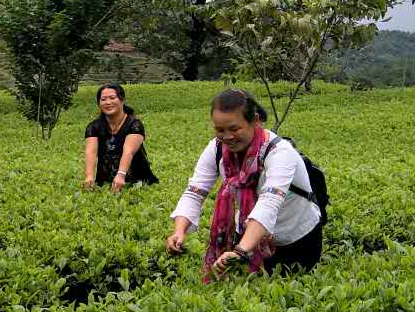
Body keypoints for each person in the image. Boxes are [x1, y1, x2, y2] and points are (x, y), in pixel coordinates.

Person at [166, 88, 323, 280]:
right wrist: (179, 231)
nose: (227, 137)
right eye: (220, 130)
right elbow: (195, 191)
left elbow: (269, 202)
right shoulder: (216, 148)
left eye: (234, 129)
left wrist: (241, 251)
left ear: (255, 121)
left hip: (295, 238)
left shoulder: (280, 152)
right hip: (248, 236)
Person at [83, 83, 159, 192]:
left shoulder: (134, 125)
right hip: (105, 181)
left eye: (112, 98)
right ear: (99, 104)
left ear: (122, 100)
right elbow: (91, 151)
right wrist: (89, 176)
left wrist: (121, 175)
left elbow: (128, 151)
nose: (108, 102)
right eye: (103, 99)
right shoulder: (93, 127)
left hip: (137, 180)